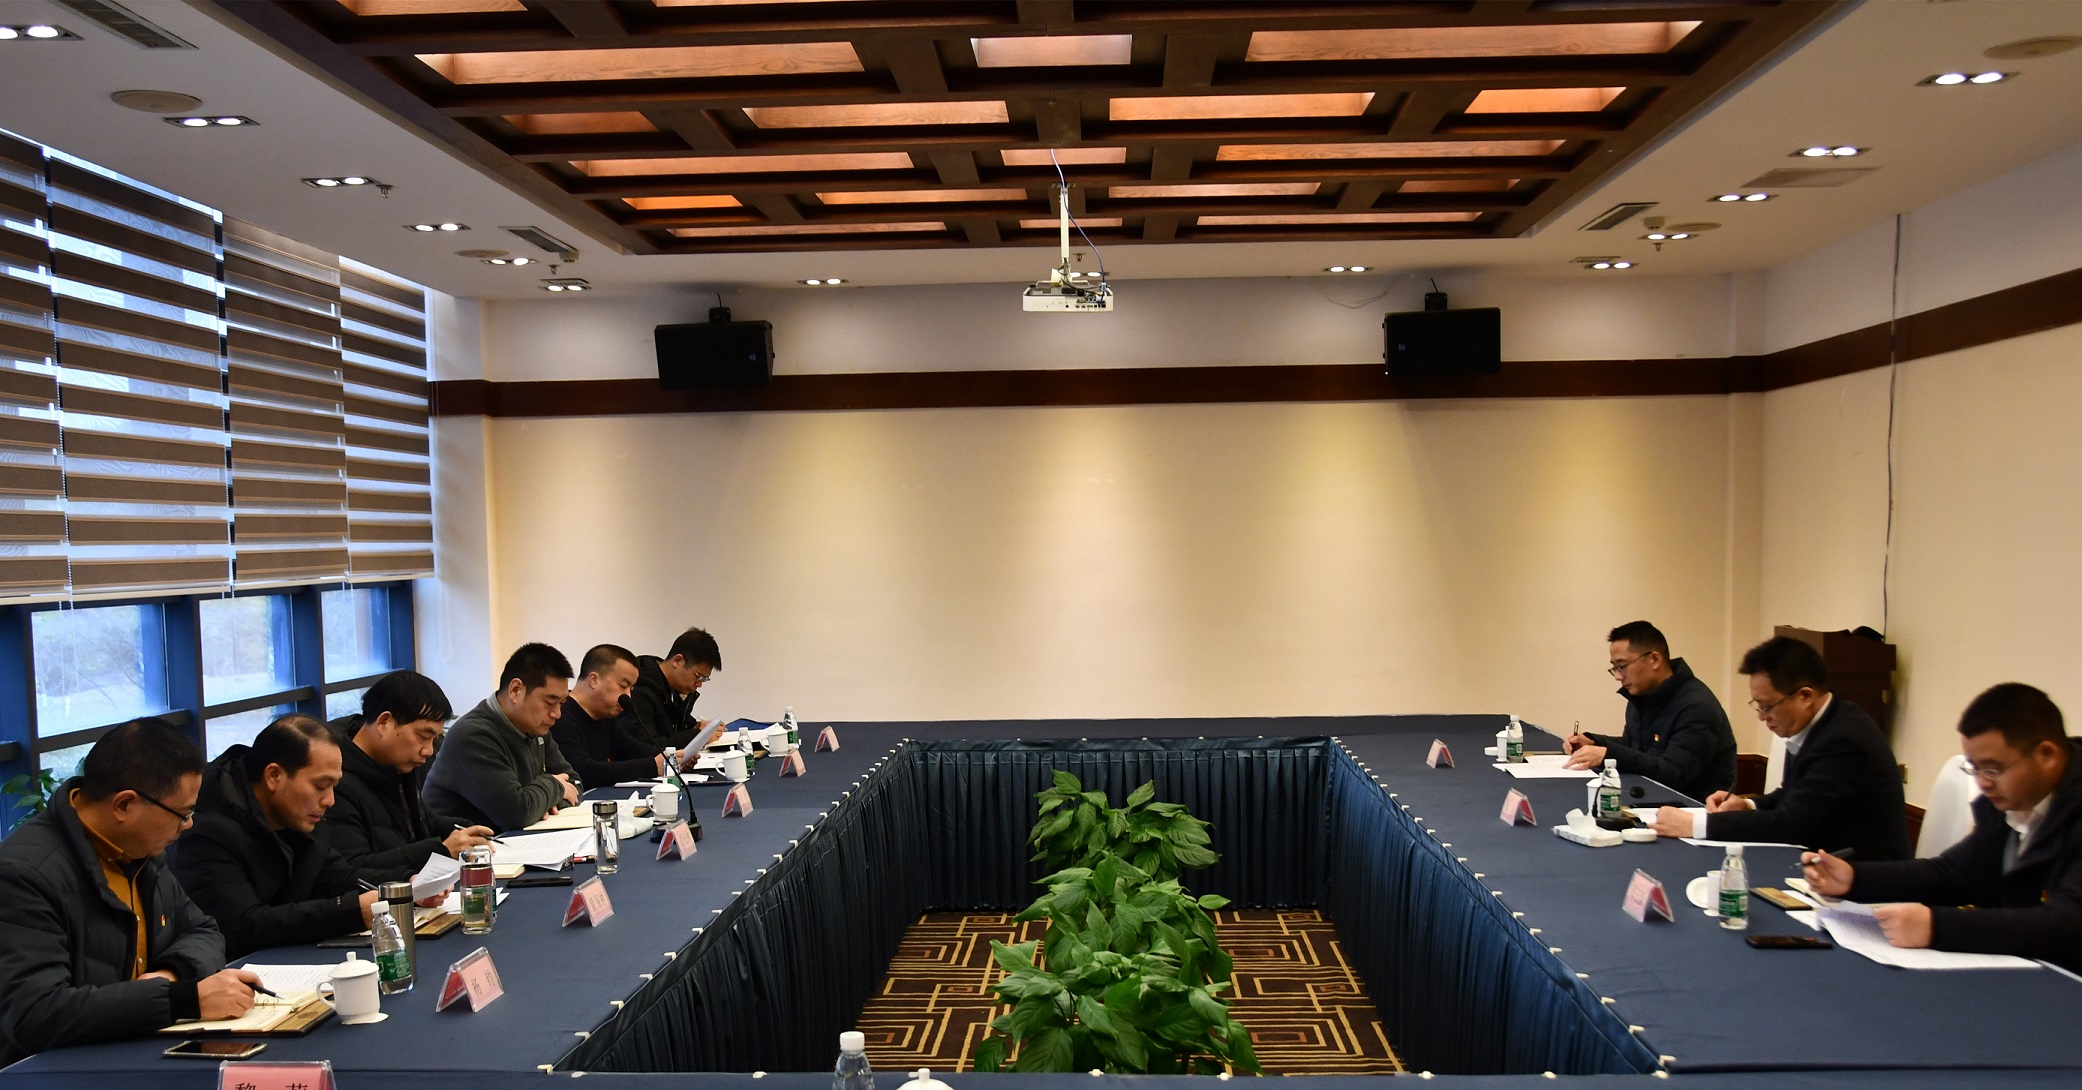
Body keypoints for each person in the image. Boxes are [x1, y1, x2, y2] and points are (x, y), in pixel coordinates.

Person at [0, 719, 260, 1066]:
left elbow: (204, 930)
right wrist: (179, 1000)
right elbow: (35, 1014)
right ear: (124, 805)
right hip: (53, 1070)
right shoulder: (24, 875)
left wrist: (171, 975)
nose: (189, 825)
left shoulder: (140, 850)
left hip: (133, 1048)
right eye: (182, 814)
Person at [1802, 683, 2082, 969]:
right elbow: (1951, 874)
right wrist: (1855, 878)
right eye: (1974, 768)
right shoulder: (2011, 803)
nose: (1983, 783)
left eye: (1992, 768)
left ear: (2047, 755)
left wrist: (1937, 926)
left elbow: (2068, 924)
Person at [1651, 635, 1910, 859]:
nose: (1762, 717)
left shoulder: (1844, 740)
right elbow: (1794, 794)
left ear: (1805, 696)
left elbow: (1792, 824)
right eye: (1757, 706)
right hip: (1819, 863)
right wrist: (1748, 805)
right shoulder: (1821, 723)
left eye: (1767, 706)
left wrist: (1697, 824)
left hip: (1863, 878)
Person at [173, 715, 382, 958]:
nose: (330, 800)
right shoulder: (208, 831)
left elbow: (339, 877)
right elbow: (243, 927)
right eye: (320, 786)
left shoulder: (296, 817)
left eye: (333, 786)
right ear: (273, 776)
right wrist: (350, 912)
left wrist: (404, 886)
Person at [325, 670, 493, 883]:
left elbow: (421, 822)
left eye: (434, 739)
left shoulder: (397, 764)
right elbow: (354, 869)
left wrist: (464, 830)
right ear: (384, 722)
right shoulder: (334, 782)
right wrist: (440, 850)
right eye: (423, 737)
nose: (428, 751)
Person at [1562, 620, 1738, 800]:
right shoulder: (1641, 696)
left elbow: (1674, 774)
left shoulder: (1697, 707)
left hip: (1692, 808)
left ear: (1654, 660)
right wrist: (1593, 742)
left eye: (1622, 666)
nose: (1618, 676)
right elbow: (1633, 746)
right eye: (1614, 668)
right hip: (1649, 799)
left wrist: (1608, 754)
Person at [422, 642, 581, 833]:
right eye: (550, 702)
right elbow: (517, 813)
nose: (557, 714)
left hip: (515, 842)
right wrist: (554, 786)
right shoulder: (474, 735)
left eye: (561, 704)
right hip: (469, 848)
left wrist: (543, 803)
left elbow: (575, 783)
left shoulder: (537, 728)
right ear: (515, 690)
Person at [551, 644, 673, 787]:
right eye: (623, 686)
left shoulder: (605, 716)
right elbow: (583, 771)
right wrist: (652, 766)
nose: (628, 696)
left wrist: (671, 756)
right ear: (594, 680)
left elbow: (631, 748)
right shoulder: (559, 716)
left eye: (631, 689)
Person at [622, 627, 721, 750]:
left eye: (704, 679)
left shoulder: (675, 691)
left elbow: (676, 728)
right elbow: (647, 746)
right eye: (698, 676)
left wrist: (697, 727)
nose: (699, 684)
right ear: (677, 661)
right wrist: (699, 735)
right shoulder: (639, 690)